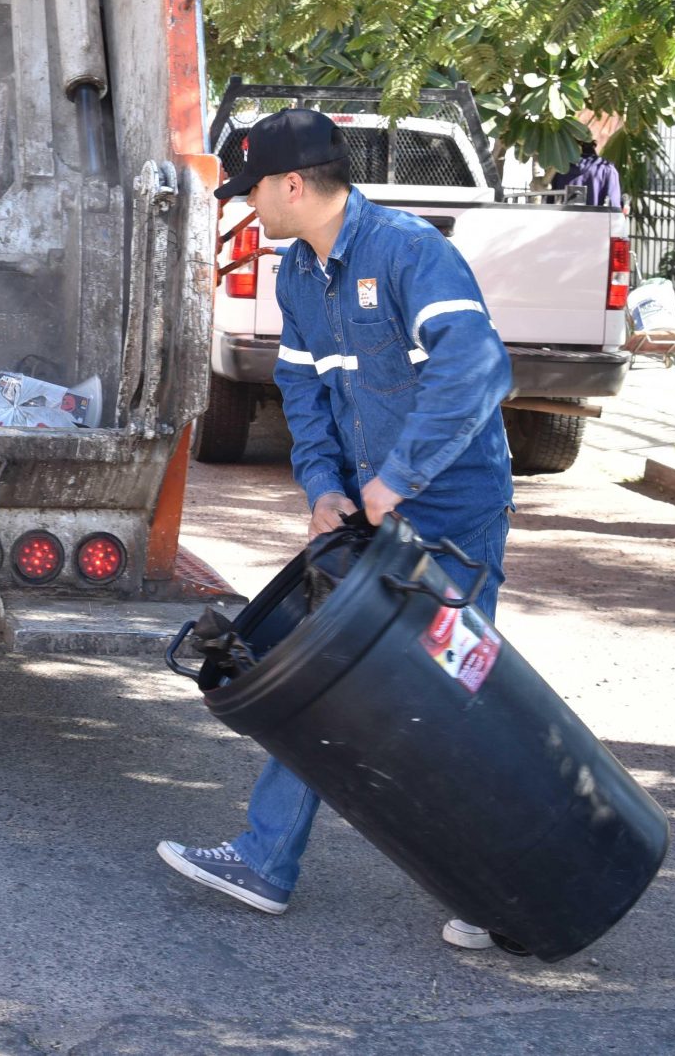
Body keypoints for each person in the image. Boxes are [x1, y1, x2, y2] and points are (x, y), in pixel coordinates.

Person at [157, 107, 515, 951]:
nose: (250, 208)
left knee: (454, 697)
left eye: (254, 191)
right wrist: (322, 484)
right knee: (325, 679)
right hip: (368, 513)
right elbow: (306, 391)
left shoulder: (408, 251)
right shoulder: (297, 276)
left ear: (292, 184)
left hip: (452, 512)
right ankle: (266, 861)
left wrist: (399, 476)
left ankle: (500, 889)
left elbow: (475, 369)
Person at [551, 139, 623, 210]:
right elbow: (614, 206)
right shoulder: (606, 169)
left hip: (563, 220)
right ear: (593, 146)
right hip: (596, 220)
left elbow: (550, 202)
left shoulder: (559, 169)